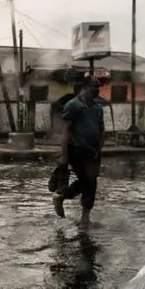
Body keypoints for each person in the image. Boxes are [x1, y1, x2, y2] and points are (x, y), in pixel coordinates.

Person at [53, 76, 104, 229]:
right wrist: (64, 155)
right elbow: (66, 131)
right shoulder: (73, 105)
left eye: (98, 87)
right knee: (88, 180)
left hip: (93, 151)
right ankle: (62, 197)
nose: (97, 90)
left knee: (91, 183)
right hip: (77, 149)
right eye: (94, 87)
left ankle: (84, 218)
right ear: (85, 87)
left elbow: (102, 129)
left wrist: (99, 148)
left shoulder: (97, 107)